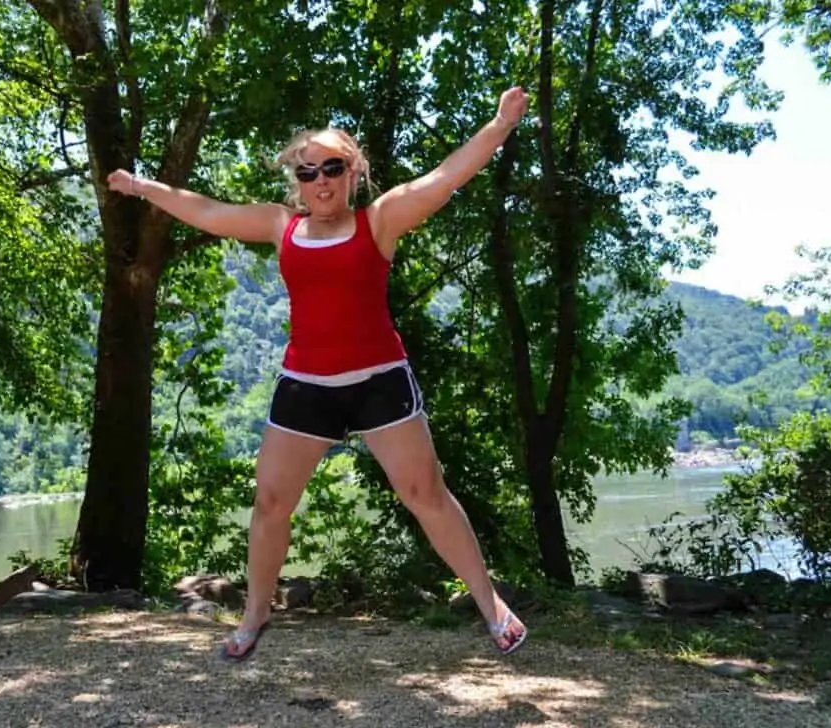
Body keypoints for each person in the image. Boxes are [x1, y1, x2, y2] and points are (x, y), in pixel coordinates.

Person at [106, 86, 531, 662]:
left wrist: (500, 125)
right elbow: (207, 211)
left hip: (380, 381)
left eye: (332, 168)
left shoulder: (379, 221)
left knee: (425, 493)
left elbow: (443, 178)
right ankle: (255, 615)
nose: (320, 181)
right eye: (308, 172)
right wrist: (140, 186)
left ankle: (491, 605)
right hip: (307, 387)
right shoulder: (280, 226)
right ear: (297, 181)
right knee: (270, 502)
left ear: (352, 172)